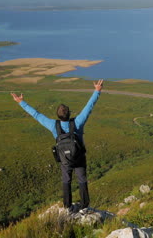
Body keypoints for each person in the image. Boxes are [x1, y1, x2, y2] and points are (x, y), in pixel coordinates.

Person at [11, 79, 103, 213]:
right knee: (82, 179)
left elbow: (36, 114)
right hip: (79, 157)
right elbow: (89, 107)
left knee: (66, 180)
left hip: (64, 159)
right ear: (69, 113)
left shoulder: (54, 125)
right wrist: (97, 91)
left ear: (58, 115)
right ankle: (84, 205)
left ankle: (67, 206)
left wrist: (21, 102)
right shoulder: (78, 122)